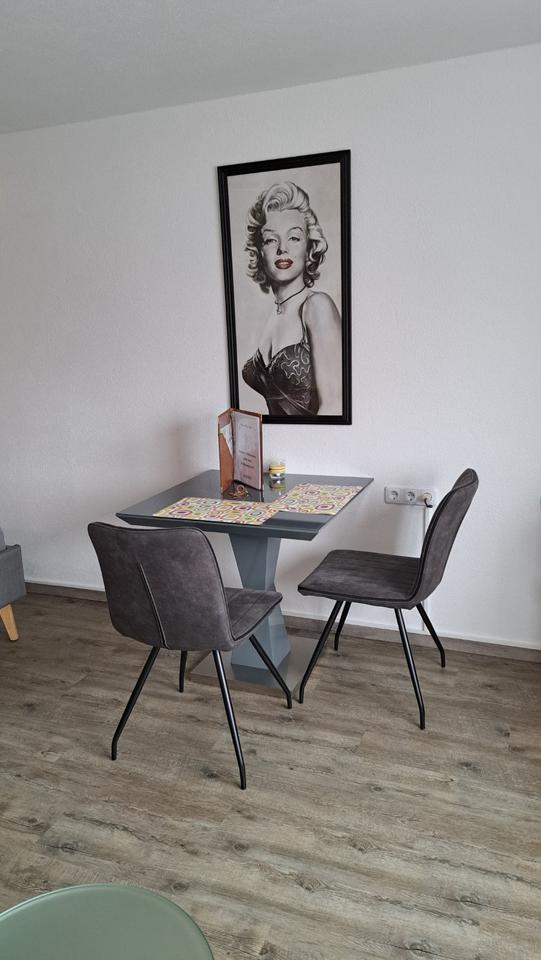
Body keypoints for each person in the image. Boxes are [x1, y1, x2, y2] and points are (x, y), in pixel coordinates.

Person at [242, 181, 342, 416]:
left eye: (294, 238)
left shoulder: (317, 306)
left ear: (309, 247)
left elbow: (334, 406)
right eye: (271, 240)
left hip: (316, 439)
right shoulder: (272, 314)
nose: (282, 249)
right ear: (260, 251)